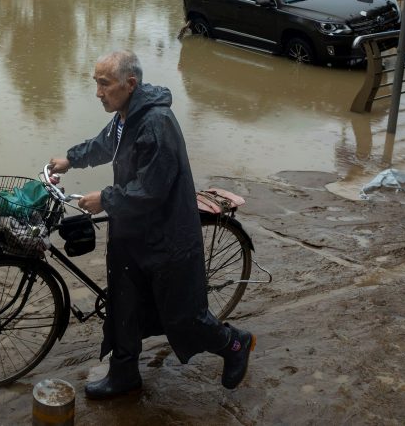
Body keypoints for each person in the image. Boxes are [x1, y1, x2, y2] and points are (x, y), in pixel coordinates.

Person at [49, 50, 255, 400]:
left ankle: (233, 344)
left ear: (130, 84)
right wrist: (71, 159)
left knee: (183, 315)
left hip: (165, 237)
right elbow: (105, 144)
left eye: (105, 84)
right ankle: (124, 373)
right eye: (96, 83)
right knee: (124, 307)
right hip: (132, 233)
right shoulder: (126, 115)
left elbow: (152, 189)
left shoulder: (156, 122)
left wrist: (106, 199)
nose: (98, 92)